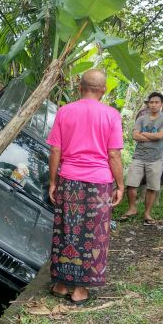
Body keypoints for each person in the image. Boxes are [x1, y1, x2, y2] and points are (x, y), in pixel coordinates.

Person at [47, 69, 125, 304]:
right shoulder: (111, 115)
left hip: (68, 179)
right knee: (93, 236)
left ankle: (61, 284)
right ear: (103, 90)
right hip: (99, 183)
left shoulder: (64, 111)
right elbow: (113, 155)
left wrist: (53, 182)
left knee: (65, 231)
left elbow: (55, 151)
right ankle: (80, 288)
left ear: (80, 88)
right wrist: (120, 184)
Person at [120, 92, 163, 223]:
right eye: (151, 102)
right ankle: (132, 208)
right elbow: (135, 136)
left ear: (161, 104)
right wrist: (152, 136)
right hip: (139, 156)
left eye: (156, 102)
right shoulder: (141, 119)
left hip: (156, 158)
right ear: (148, 104)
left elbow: (160, 136)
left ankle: (147, 213)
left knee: (152, 186)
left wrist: (144, 134)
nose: (153, 105)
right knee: (131, 184)